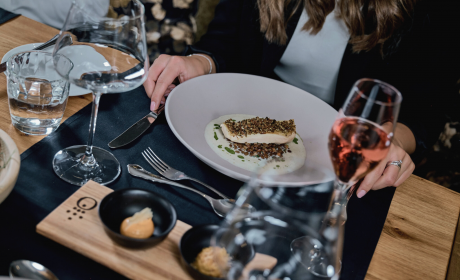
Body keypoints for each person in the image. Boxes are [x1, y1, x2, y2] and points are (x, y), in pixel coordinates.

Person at [143, 0, 460, 197]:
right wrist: (201, 62)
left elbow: (426, 111)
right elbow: (224, 43)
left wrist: (395, 142)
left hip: (341, 160)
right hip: (238, 132)